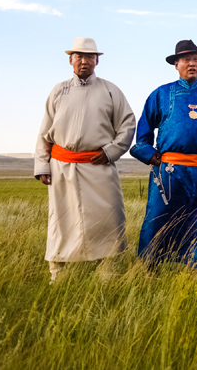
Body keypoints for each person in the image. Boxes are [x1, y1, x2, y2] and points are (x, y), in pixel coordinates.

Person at [34, 37, 136, 282]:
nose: (84, 61)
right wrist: (42, 164)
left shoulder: (111, 90)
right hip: (63, 167)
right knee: (62, 220)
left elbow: (128, 124)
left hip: (99, 165)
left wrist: (112, 151)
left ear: (97, 60)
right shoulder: (58, 91)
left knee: (109, 218)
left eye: (89, 56)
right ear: (71, 59)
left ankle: (106, 271)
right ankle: (57, 273)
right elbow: (45, 131)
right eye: (79, 56)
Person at [130, 40, 197, 267]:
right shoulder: (160, 94)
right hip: (169, 172)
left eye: (196, 60)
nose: (192, 64)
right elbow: (143, 134)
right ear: (176, 64)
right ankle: (151, 270)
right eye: (187, 60)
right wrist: (150, 155)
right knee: (159, 221)